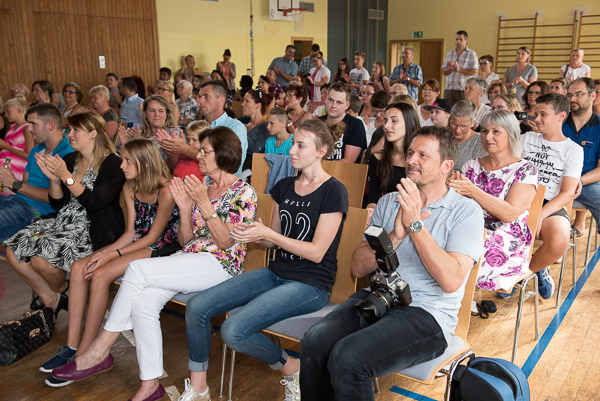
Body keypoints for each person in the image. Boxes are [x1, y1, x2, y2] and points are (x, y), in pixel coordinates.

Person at [51, 127, 257, 401]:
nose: (198, 155)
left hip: (222, 264)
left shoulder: (244, 192)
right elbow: (186, 241)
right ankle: (150, 385)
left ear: (222, 154)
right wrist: (186, 208)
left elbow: (225, 243)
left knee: (136, 269)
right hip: (191, 258)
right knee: (143, 304)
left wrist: (202, 204)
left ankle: (101, 348)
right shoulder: (204, 187)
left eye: (204, 151)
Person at [299, 125, 485, 401]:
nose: (411, 160)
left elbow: (451, 281)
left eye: (423, 155)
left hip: (427, 314)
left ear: (446, 166)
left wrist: (415, 225)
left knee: (348, 358)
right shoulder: (388, 203)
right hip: (379, 298)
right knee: (314, 341)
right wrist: (395, 236)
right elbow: (357, 267)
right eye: (410, 153)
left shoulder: (465, 211)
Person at [179, 118, 348, 401]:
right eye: (293, 144)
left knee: (233, 331)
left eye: (300, 145)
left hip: (311, 284)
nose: (291, 150)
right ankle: (199, 390)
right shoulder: (284, 186)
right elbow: (272, 240)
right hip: (276, 272)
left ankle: (291, 367)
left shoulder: (334, 191)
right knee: (197, 307)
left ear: (321, 151)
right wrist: (255, 234)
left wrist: (269, 234)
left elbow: (317, 251)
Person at [41, 138, 180, 387]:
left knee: (101, 274)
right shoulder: (130, 186)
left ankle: (87, 353)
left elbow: (152, 238)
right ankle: (73, 346)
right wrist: (106, 252)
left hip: (162, 247)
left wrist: (112, 254)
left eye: (127, 161)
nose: (122, 166)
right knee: (79, 267)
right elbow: (130, 233)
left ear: (145, 163)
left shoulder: (166, 190)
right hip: (138, 242)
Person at [5, 111, 125, 318]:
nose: (70, 134)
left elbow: (94, 203)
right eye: (70, 130)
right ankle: (54, 296)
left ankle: (60, 290)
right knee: (13, 250)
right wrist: (54, 180)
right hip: (63, 221)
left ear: (93, 134)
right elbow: (58, 202)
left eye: (76, 130)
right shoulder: (71, 159)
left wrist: (66, 176)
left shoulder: (112, 164)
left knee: (40, 260)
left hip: (92, 227)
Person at [449, 110, 538, 292]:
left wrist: (472, 191)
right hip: (471, 229)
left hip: (506, 238)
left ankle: (459, 303)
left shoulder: (526, 170)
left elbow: (509, 214)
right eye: (484, 131)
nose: (488, 136)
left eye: (496, 131)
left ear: (511, 134)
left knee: (460, 261)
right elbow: (459, 206)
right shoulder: (471, 165)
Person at [522, 93, 583, 299]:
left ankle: (530, 271)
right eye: (536, 114)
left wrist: (540, 214)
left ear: (561, 116)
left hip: (550, 203)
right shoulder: (526, 139)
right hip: (519, 198)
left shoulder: (573, 150)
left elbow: (567, 192)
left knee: (559, 239)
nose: (537, 119)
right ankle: (512, 272)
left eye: (543, 114)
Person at [0, 104, 73, 242]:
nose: (29, 129)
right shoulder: (37, 149)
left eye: (33, 124)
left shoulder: (67, 154)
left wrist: (15, 184)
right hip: (16, 201)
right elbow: (25, 184)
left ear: (51, 125)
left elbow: (56, 199)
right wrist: (7, 180)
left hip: (37, 212)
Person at [562, 78, 600, 239]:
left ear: (592, 95)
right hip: (556, 179)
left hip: (586, 182)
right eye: (570, 95)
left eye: (578, 94)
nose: (573, 99)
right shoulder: (559, 120)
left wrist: (580, 181)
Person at [365, 102, 420, 210]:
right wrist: (370, 210)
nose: (386, 126)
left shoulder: (421, 160)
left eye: (394, 121)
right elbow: (373, 198)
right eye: (385, 121)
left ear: (408, 123)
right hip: (385, 213)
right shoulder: (378, 158)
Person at [118, 95, 182, 170]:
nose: (156, 114)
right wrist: (127, 146)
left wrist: (142, 144)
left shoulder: (174, 133)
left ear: (167, 114)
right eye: (152, 111)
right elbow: (130, 162)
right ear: (145, 114)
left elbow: (170, 166)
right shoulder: (139, 133)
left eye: (161, 111)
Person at [320, 82, 367, 163]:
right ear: (326, 100)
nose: (333, 105)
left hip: (342, 170)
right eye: (330, 100)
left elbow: (348, 161)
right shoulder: (317, 123)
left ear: (347, 105)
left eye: (339, 102)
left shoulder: (355, 125)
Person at [0, 96, 33, 196]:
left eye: (8, 111)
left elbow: (30, 156)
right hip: (5, 167)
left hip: (16, 171)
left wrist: (7, 147)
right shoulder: (12, 127)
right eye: (5, 112)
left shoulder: (27, 129)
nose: (5, 115)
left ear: (19, 110)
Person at [441, 30, 479, 105]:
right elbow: (443, 71)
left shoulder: (472, 54)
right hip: (449, 89)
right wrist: (450, 69)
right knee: (448, 110)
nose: (458, 41)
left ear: (466, 40)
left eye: (461, 39)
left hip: (463, 90)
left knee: (463, 110)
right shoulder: (450, 53)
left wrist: (459, 70)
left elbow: (475, 71)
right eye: (457, 39)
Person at [450, 100, 487, 171]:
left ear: (473, 123)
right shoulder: (444, 137)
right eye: (454, 124)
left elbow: (478, 171)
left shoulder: (479, 141)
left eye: (463, 126)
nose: (457, 130)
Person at [241, 90, 271, 171]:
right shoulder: (242, 122)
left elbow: (256, 149)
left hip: (253, 171)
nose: (242, 104)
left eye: (247, 101)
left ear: (258, 105)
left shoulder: (266, 128)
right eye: (243, 101)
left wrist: (240, 132)